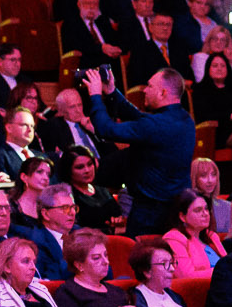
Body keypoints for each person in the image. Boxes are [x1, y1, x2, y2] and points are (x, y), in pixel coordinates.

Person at [82, 66, 195, 235]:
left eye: (149, 86)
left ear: (163, 93)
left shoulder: (154, 125)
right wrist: (112, 92)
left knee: (141, 251)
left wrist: (96, 96)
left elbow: (106, 129)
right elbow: (140, 118)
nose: (145, 90)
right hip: (174, 209)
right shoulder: (186, 120)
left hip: (149, 214)